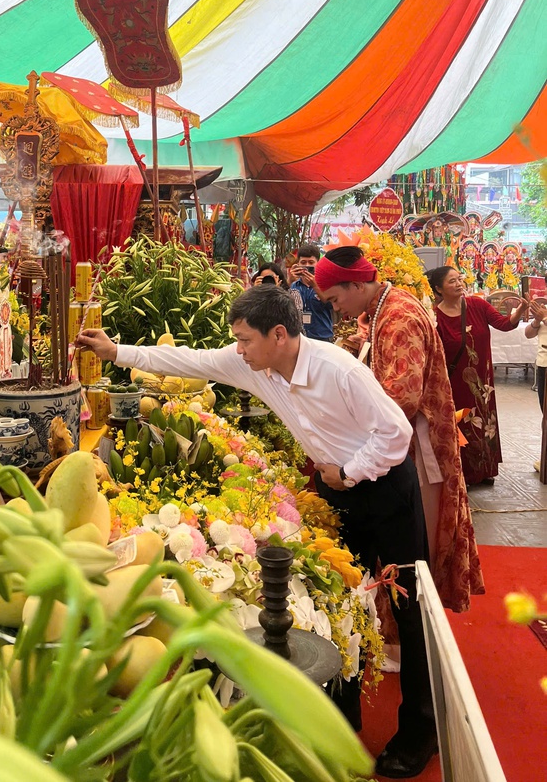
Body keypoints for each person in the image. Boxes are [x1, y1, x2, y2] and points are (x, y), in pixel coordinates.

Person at [79, 286, 437, 778]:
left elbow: (396, 432)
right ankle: (342, 712)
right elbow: (190, 361)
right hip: (338, 486)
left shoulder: (339, 369)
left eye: (245, 340)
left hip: (385, 488)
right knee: (348, 597)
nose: (239, 350)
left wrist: (350, 472)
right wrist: (116, 351)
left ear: (280, 334)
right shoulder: (253, 364)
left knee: (409, 607)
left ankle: (421, 731)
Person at [315, 248, 484, 616]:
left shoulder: (399, 316)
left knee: (408, 552)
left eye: (335, 298)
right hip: (404, 445)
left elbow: (400, 398)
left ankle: (406, 640)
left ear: (357, 284)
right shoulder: (384, 309)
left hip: (414, 451)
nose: (336, 309)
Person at [426, 266, 529, 485]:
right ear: (438, 289)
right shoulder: (434, 316)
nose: (459, 283)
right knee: (461, 422)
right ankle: (462, 473)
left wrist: (519, 311)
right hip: (453, 383)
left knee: (484, 420)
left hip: (482, 383)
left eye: (459, 279)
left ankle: (484, 470)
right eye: (452, 281)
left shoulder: (477, 305)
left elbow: (504, 324)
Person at [289, 244, 335, 342]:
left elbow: (332, 306)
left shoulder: (325, 284)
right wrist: (289, 281)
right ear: (298, 263)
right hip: (300, 337)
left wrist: (315, 286)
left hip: (322, 337)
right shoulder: (294, 285)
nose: (307, 266)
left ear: (318, 263)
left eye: (311, 262)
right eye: (303, 262)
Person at [525, 298, 547, 410]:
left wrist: (544, 317)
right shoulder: (544, 310)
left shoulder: (544, 313)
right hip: (543, 364)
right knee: (545, 409)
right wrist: (537, 321)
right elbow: (528, 334)